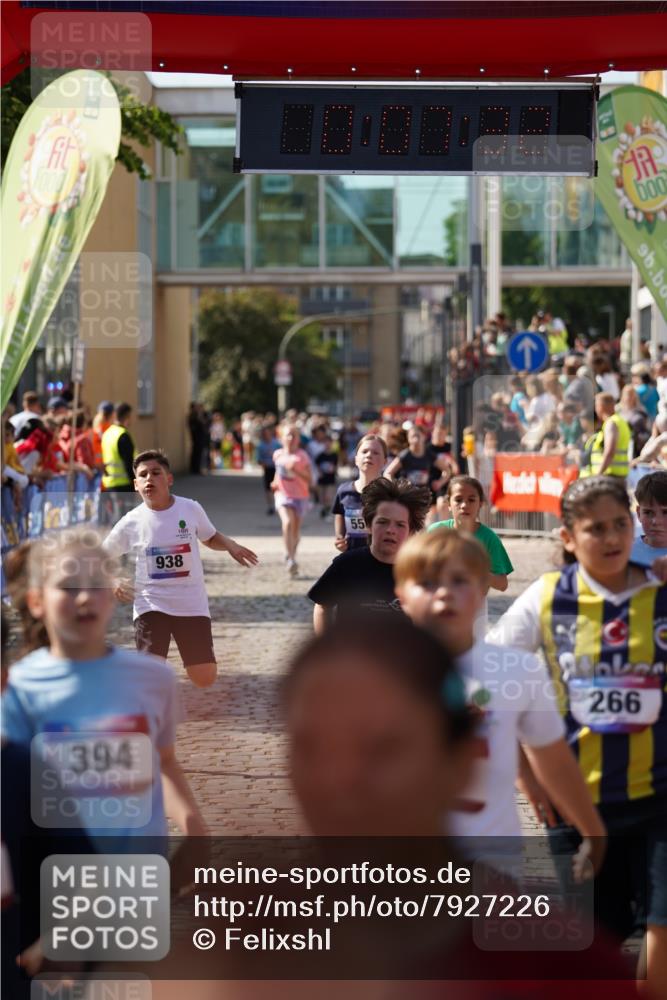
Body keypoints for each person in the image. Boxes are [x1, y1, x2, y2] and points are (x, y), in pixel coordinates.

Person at [282, 617, 635, 994]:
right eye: (309, 746)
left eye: (381, 749)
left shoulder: (565, 970)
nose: (339, 779)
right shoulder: (243, 944)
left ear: (461, 763)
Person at [487, 476, 667, 996]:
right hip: (578, 800)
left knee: (663, 926)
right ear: (568, 536)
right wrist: (522, 772)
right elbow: (487, 685)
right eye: (595, 529)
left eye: (620, 525)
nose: (612, 538)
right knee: (596, 944)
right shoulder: (548, 599)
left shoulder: (660, 587)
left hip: (660, 795)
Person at [395, 529, 606, 857]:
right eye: (427, 582)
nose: (443, 594)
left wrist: (591, 831)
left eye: (459, 581)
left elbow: (552, 756)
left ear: (482, 591)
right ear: (402, 594)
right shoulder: (375, 673)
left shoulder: (518, 669)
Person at [2, 528, 208, 847]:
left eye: (96, 585)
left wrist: (195, 830)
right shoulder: (19, 687)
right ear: (37, 601)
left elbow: (164, 761)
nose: (84, 597)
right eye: (68, 587)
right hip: (57, 876)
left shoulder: (155, 678)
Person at [104, 449, 258, 688]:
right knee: (150, 676)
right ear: (135, 484)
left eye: (156, 473)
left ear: (169, 479)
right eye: (143, 475)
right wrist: (112, 580)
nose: (149, 479)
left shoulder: (190, 508)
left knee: (204, 678)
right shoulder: (130, 522)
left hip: (190, 604)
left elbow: (209, 537)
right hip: (150, 603)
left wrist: (229, 544)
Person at [309, 477, 430, 634]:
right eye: (383, 522)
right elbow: (322, 606)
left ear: (411, 532)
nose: (390, 530)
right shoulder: (347, 564)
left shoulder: (419, 572)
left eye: (400, 524)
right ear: (368, 525)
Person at [429, 476, 513, 595]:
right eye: (458, 500)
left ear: (480, 504)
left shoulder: (489, 538)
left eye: (471, 500)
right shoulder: (435, 532)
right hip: (438, 603)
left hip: (475, 608)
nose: (464, 505)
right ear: (448, 504)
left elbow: (502, 584)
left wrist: (476, 572)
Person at [272, 424, 313, 577]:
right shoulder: (277, 454)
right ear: (281, 438)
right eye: (287, 435)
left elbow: (310, 479)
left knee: (295, 531)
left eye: (294, 435)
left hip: (301, 496)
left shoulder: (302, 456)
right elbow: (278, 473)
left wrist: (295, 470)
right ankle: (291, 559)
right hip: (283, 495)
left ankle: (291, 555)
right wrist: (275, 482)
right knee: (287, 523)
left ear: (298, 439)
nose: (290, 438)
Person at [580, 392, 631, 479]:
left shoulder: (611, 423)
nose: (596, 410)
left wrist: (598, 475)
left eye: (596, 406)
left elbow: (609, 451)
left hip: (610, 475)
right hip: (618, 475)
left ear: (601, 406)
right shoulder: (620, 421)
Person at [631, 471, 667, 568]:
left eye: (665, 512)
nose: (656, 521)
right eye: (648, 513)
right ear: (639, 513)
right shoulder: (626, 551)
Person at [101, 401, 135, 491]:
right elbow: (128, 463)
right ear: (127, 417)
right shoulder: (122, 435)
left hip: (108, 483)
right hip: (123, 484)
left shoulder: (107, 433)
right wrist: (135, 483)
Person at [256, 423, 281, 515]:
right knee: (268, 488)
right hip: (267, 468)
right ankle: (270, 506)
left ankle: (278, 505)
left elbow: (283, 454)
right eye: (264, 434)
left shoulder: (276, 443)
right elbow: (258, 459)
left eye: (267, 433)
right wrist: (263, 463)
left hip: (276, 468)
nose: (266, 435)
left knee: (278, 488)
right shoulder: (260, 445)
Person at [314, 433, 338, 518]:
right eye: (325, 442)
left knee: (328, 496)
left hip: (331, 478)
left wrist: (334, 469)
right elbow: (316, 464)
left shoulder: (334, 455)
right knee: (322, 497)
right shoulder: (321, 455)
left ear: (331, 443)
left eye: (329, 442)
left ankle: (327, 512)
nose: (327, 444)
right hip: (322, 478)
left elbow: (336, 466)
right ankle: (324, 510)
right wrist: (320, 472)